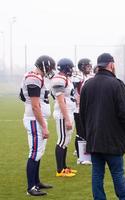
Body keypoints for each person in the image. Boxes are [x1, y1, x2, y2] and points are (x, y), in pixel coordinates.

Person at [80, 53, 125, 200]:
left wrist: (88, 134)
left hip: (94, 138)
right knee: (117, 173)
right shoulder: (117, 84)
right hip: (113, 140)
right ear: (111, 65)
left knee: (97, 173)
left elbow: (82, 114)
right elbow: (124, 113)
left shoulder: (87, 85)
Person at [19, 55, 56, 196]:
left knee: (38, 152)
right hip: (34, 119)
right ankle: (31, 187)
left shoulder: (36, 77)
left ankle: (36, 182)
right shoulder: (33, 77)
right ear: (44, 65)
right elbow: (35, 105)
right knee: (34, 153)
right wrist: (44, 126)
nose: (51, 70)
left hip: (36, 119)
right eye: (50, 67)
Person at [51, 58, 77, 177]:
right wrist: (66, 118)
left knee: (66, 141)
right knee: (62, 141)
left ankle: (64, 167)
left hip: (68, 112)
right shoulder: (59, 79)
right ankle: (60, 170)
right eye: (70, 67)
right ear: (66, 67)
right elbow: (61, 101)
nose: (72, 70)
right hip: (63, 113)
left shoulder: (66, 79)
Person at [73, 58, 93, 165]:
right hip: (78, 109)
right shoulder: (77, 77)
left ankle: (81, 152)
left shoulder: (89, 76)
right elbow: (74, 91)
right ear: (82, 66)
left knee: (86, 131)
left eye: (90, 65)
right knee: (81, 133)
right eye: (87, 66)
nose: (89, 67)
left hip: (87, 109)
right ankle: (82, 157)